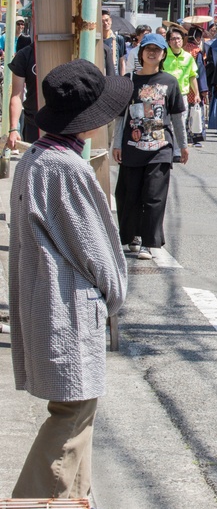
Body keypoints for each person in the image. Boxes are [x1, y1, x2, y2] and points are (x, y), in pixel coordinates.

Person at [8, 58, 131, 500]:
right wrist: (115, 295)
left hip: (46, 299)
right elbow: (94, 249)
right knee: (72, 417)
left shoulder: (37, 158)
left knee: (78, 415)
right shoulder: (66, 168)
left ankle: (75, 500)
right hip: (68, 306)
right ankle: (27, 501)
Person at [112, 33, 189, 260]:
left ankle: (148, 242)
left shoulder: (170, 82)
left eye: (157, 49)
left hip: (160, 147)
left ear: (163, 54)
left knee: (154, 195)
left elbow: (176, 117)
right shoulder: (128, 81)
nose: (152, 53)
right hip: (132, 145)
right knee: (128, 195)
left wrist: (182, 146)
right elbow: (121, 117)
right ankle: (132, 236)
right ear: (141, 53)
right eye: (148, 49)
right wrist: (117, 144)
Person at [162, 28, 199, 161]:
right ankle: (167, 148)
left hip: (181, 94)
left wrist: (196, 93)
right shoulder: (164, 55)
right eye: (173, 39)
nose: (176, 41)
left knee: (180, 123)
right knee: (166, 122)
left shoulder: (188, 57)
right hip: (164, 94)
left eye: (179, 38)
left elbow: (192, 76)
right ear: (168, 42)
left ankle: (177, 150)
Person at [6, 42, 38, 148]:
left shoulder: (69, 49)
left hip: (64, 125)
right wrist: (14, 129)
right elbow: (17, 95)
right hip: (34, 123)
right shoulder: (25, 55)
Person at [101, 9, 127, 77]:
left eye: (107, 20)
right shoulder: (97, 40)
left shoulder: (118, 39)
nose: (105, 23)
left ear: (111, 20)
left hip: (115, 77)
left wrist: (122, 79)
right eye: (102, 21)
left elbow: (122, 62)